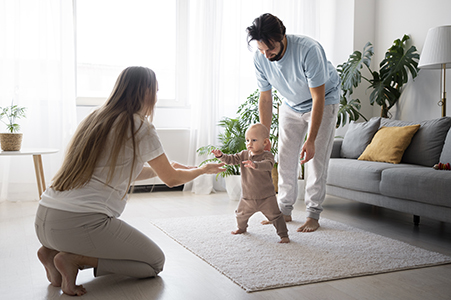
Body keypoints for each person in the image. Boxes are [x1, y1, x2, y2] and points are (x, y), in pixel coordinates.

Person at [34, 66, 225, 296]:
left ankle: (51, 254)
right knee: (154, 263)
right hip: (78, 224)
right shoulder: (139, 125)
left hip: (45, 219)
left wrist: (161, 169)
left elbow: (121, 170)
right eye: (155, 90)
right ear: (145, 91)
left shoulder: (95, 118)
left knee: (139, 256)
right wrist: (202, 170)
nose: (156, 96)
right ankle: (74, 260)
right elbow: (172, 179)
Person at [246, 13, 340, 232]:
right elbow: (266, 98)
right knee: (286, 157)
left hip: (323, 101)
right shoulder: (260, 57)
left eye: (270, 50)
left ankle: (313, 214)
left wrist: (312, 139)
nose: (266, 55)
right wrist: (263, 136)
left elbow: (318, 97)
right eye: (261, 50)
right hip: (290, 104)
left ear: (282, 37)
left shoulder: (308, 50)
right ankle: (284, 211)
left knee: (315, 160)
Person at [212, 123, 289, 243]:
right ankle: (241, 228)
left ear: (264, 142)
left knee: (276, 216)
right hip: (247, 197)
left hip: (267, 197)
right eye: (247, 140)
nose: (249, 143)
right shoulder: (244, 154)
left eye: (253, 140)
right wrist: (221, 156)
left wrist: (255, 165)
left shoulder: (267, 155)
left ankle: (283, 235)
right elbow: (231, 159)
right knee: (240, 215)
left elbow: (268, 165)